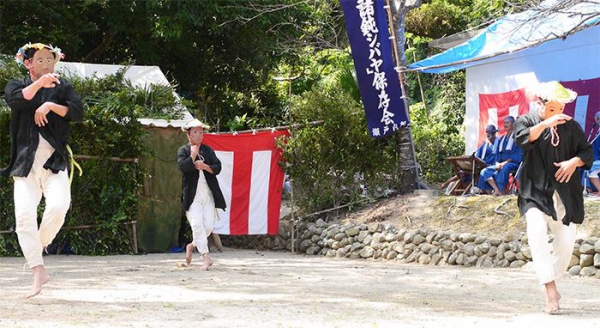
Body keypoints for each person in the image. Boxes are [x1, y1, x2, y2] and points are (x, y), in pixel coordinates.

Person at [1, 43, 83, 298]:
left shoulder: (63, 88)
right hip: (25, 164)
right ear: (29, 64)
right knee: (24, 217)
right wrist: (38, 87)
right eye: (41, 60)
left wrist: (49, 106)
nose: (47, 65)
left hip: (54, 162)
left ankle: (41, 244)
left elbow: (78, 112)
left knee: (60, 206)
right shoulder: (17, 85)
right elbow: (15, 100)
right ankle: (38, 270)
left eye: (51, 60)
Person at [514, 81, 592, 314]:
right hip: (534, 190)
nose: (558, 113)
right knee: (536, 231)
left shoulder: (572, 126)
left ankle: (553, 280)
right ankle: (549, 289)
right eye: (552, 109)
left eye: (560, 108)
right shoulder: (526, 121)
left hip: (565, 193)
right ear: (540, 104)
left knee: (566, 242)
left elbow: (586, 151)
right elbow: (522, 139)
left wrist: (574, 162)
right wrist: (546, 124)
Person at [177, 119, 226, 270]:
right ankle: (206, 257)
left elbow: (218, 167)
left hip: (208, 192)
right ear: (189, 134)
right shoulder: (183, 150)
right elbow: (182, 167)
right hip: (192, 194)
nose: (198, 135)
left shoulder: (208, 150)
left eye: (201, 132)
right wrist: (193, 156)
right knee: (197, 224)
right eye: (195, 132)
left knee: (209, 226)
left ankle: (192, 245)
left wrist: (205, 166)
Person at [441, 124, 499, 194]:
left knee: (471, 172)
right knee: (463, 171)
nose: (488, 134)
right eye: (487, 132)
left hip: (490, 166)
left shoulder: (498, 144)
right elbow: (477, 156)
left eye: (490, 132)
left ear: (494, 133)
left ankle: (447, 184)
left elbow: (498, 159)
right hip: (481, 166)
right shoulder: (484, 145)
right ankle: (447, 185)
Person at [477, 116, 522, 196]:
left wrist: (503, 164)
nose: (505, 124)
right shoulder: (502, 139)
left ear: (513, 124)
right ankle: (496, 190)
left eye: (507, 123)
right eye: (504, 123)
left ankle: (501, 190)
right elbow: (498, 154)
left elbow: (517, 155)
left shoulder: (517, 138)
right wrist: (498, 163)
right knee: (484, 171)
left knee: (506, 168)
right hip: (501, 164)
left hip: (512, 163)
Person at [584, 111, 600, 198]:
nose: (598, 122)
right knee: (584, 163)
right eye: (597, 120)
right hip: (597, 158)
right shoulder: (597, 132)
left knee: (592, 166)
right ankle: (588, 188)